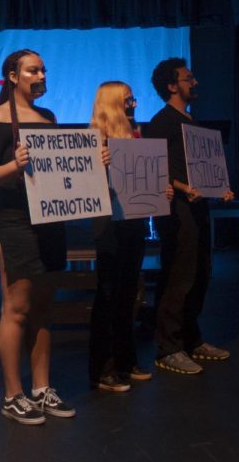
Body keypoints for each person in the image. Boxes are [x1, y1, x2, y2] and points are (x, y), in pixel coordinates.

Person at [0, 49, 76, 425]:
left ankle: (42, 388)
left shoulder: (48, 118)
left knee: (44, 308)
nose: (41, 74)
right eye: (33, 69)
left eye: (44, 69)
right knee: (16, 309)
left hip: (51, 219)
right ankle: (13, 395)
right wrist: (13, 166)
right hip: (14, 221)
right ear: (13, 76)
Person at [145, 58, 235, 374]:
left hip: (198, 207)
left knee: (200, 273)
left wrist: (219, 187)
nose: (194, 82)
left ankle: (191, 340)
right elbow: (153, 168)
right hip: (175, 210)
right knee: (179, 276)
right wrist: (182, 186)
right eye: (188, 78)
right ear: (172, 85)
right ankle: (168, 348)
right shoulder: (162, 121)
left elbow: (201, 166)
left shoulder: (190, 121)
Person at [88, 81, 173, 392]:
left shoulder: (137, 135)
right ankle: (103, 368)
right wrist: (99, 167)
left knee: (127, 294)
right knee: (108, 294)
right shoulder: (94, 141)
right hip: (109, 222)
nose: (134, 104)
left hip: (134, 221)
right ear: (112, 103)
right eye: (128, 100)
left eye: (133, 99)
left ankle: (126, 360)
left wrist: (158, 188)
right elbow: (84, 186)